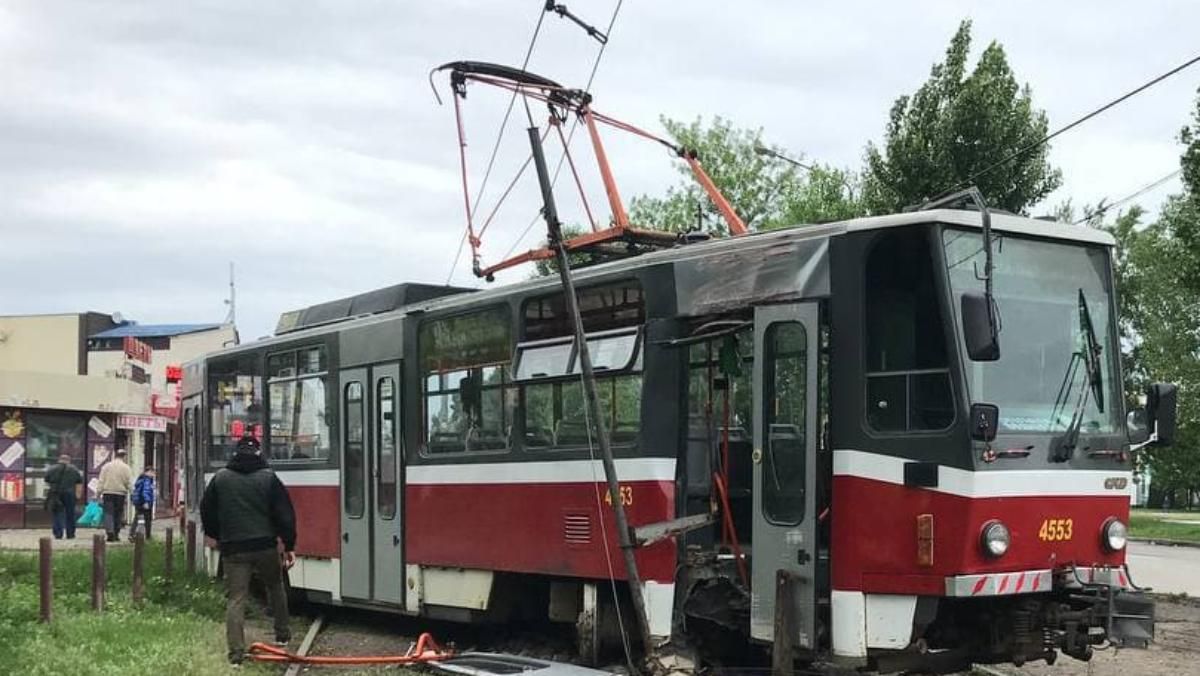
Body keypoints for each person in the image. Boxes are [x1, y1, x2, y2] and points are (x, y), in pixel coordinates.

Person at [200, 434, 297, 666]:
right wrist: (289, 545)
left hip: (234, 549)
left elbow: (207, 512)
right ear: (258, 452)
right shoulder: (269, 478)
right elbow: (285, 515)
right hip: (265, 546)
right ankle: (282, 635)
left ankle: (236, 654)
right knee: (276, 587)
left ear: (235, 453)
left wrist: (219, 536)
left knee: (236, 598)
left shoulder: (221, 478)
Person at [97, 448, 133, 542]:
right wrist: (132, 493)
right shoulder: (126, 468)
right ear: (124, 457)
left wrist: (98, 493)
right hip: (120, 493)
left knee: (108, 513)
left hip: (108, 493)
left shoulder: (106, 466)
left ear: (115, 455)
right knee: (118, 513)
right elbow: (129, 482)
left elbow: (101, 481)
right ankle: (116, 533)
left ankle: (109, 531)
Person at [44, 454, 83, 539]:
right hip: (70, 493)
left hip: (56, 493)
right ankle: (70, 533)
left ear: (59, 460)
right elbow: (79, 482)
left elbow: (46, 480)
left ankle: (58, 533)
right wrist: (78, 495)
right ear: (69, 461)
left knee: (57, 513)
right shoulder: (74, 469)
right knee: (70, 513)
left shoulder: (52, 469)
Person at [131, 465, 156, 540]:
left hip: (138, 502)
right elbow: (146, 491)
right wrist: (147, 501)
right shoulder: (147, 480)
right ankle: (148, 536)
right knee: (147, 519)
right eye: (153, 473)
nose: (154, 475)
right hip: (144, 502)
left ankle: (132, 533)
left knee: (137, 518)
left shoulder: (140, 479)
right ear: (149, 472)